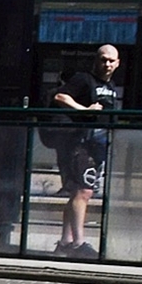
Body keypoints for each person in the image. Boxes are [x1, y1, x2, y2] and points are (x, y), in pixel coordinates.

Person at [48, 44, 121, 258]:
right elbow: (60, 97)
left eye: (111, 60)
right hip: (78, 142)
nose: (107, 64)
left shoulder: (111, 86)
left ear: (117, 63)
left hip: (97, 143)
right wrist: (84, 109)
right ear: (96, 61)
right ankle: (78, 243)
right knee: (83, 191)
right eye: (103, 59)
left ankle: (65, 242)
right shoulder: (83, 79)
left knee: (78, 193)